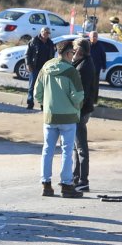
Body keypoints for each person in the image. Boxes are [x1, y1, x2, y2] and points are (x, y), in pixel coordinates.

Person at [34, 41, 85, 198]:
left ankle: (46, 185)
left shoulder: (46, 67)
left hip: (49, 116)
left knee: (47, 150)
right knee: (67, 151)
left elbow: (37, 93)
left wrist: (46, 104)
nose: (74, 56)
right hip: (68, 117)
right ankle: (66, 185)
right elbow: (78, 96)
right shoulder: (71, 71)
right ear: (68, 53)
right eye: (73, 53)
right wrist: (78, 107)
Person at [71, 37, 98, 192]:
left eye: (75, 50)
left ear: (80, 51)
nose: (73, 52)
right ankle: (76, 177)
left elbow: (82, 93)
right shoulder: (83, 63)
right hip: (83, 109)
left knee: (80, 147)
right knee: (76, 146)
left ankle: (83, 180)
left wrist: (76, 110)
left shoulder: (84, 67)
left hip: (80, 111)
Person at [25, 27, 55, 110]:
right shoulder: (34, 41)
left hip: (46, 69)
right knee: (32, 86)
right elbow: (27, 54)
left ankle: (43, 105)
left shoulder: (50, 43)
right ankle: (30, 103)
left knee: (44, 87)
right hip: (35, 67)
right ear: (41, 32)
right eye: (45, 32)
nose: (47, 34)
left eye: (48, 33)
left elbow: (52, 55)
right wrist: (28, 64)